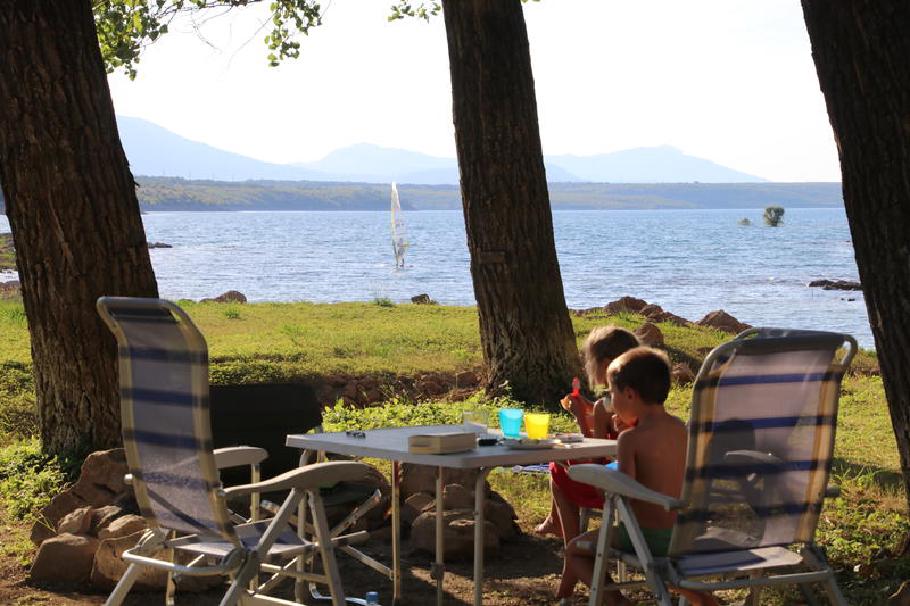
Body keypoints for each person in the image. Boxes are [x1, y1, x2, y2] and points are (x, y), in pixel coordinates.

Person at [557, 347, 717, 606]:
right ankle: (701, 599)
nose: (610, 401)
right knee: (665, 570)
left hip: (647, 537)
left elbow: (623, 493)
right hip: (685, 534)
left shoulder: (630, 439)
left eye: (612, 393)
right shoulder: (680, 429)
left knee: (576, 550)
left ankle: (617, 602)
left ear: (629, 394)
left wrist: (597, 479)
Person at [535, 326, 640, 540]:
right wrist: (590, 407)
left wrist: (581, 418)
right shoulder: (644, 398)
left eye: (590, 361)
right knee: (562, 464)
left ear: (607, 364)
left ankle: (571, 542)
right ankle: (554, 522)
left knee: (558, 469)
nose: (587, 367)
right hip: (643, 480)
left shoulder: (604, 407)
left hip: (614, 486)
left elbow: (595, 453)